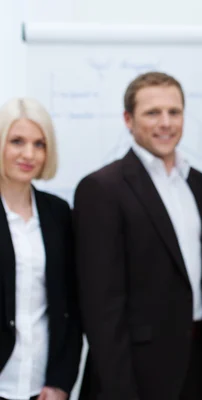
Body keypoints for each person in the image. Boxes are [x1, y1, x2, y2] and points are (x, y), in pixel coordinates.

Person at [73, 72, 202, 400]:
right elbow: (101, 307)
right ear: (128, 120)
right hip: (136, 373)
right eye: (152, 113)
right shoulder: (101, 189)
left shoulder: (196, 182)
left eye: (174, 112)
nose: (166, 123)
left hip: (196, 366)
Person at [0, 98, 82, 400]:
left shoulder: (58, 213)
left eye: (39, 144)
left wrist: (62, 382)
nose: (28, 154)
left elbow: (71, 306)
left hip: (42, 386)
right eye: (17, 141)